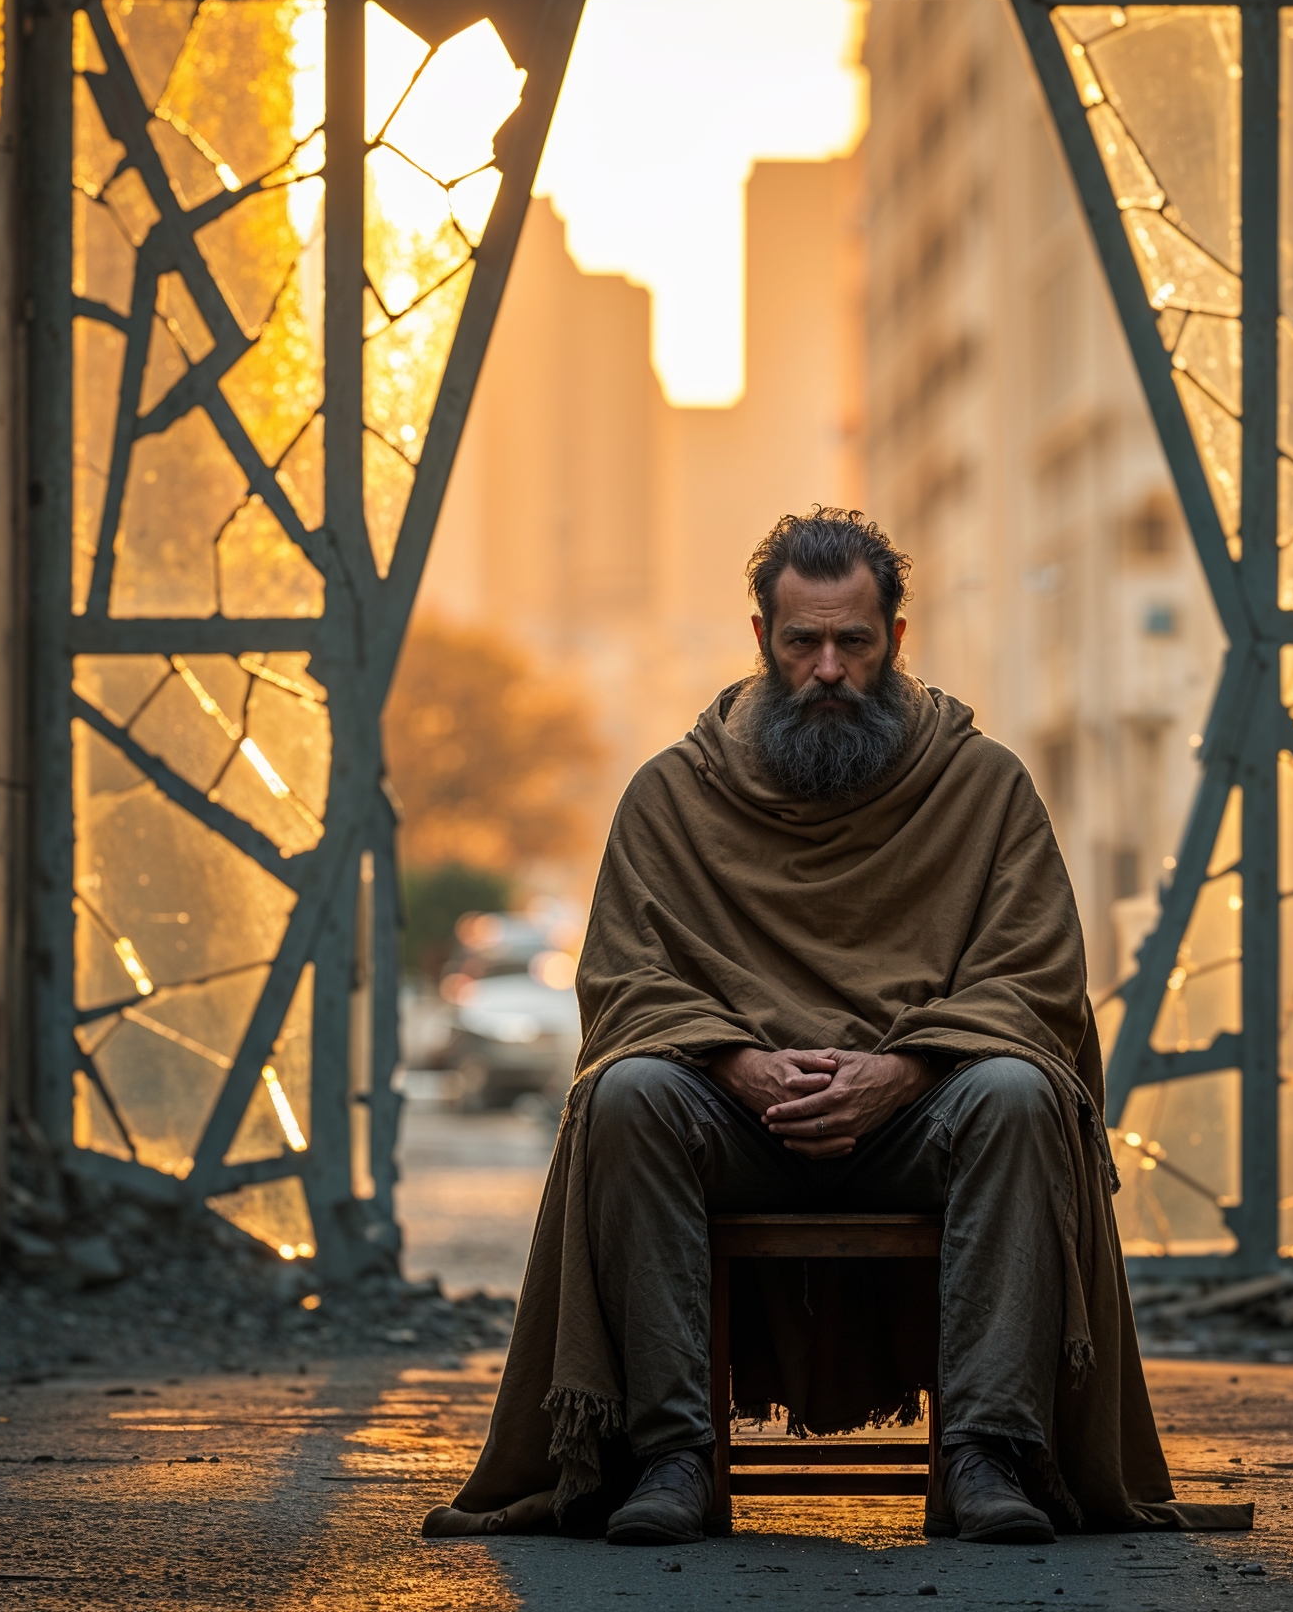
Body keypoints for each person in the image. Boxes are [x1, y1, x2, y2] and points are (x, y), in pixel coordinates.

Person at [422, 510, 1242, 1546]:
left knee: (1019, 1092)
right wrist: (740, 1065)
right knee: (629, 1094)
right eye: (800, 642)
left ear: (896, 641)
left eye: (852, 644)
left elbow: (1034, 978)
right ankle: (672, 1458)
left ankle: (986, 1455)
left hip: (921, 1120)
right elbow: (625, 983)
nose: (825, 670)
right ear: (759, 637)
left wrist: (901, 1073)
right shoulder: (673, 795)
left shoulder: (981, 787)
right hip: (731, 1120)